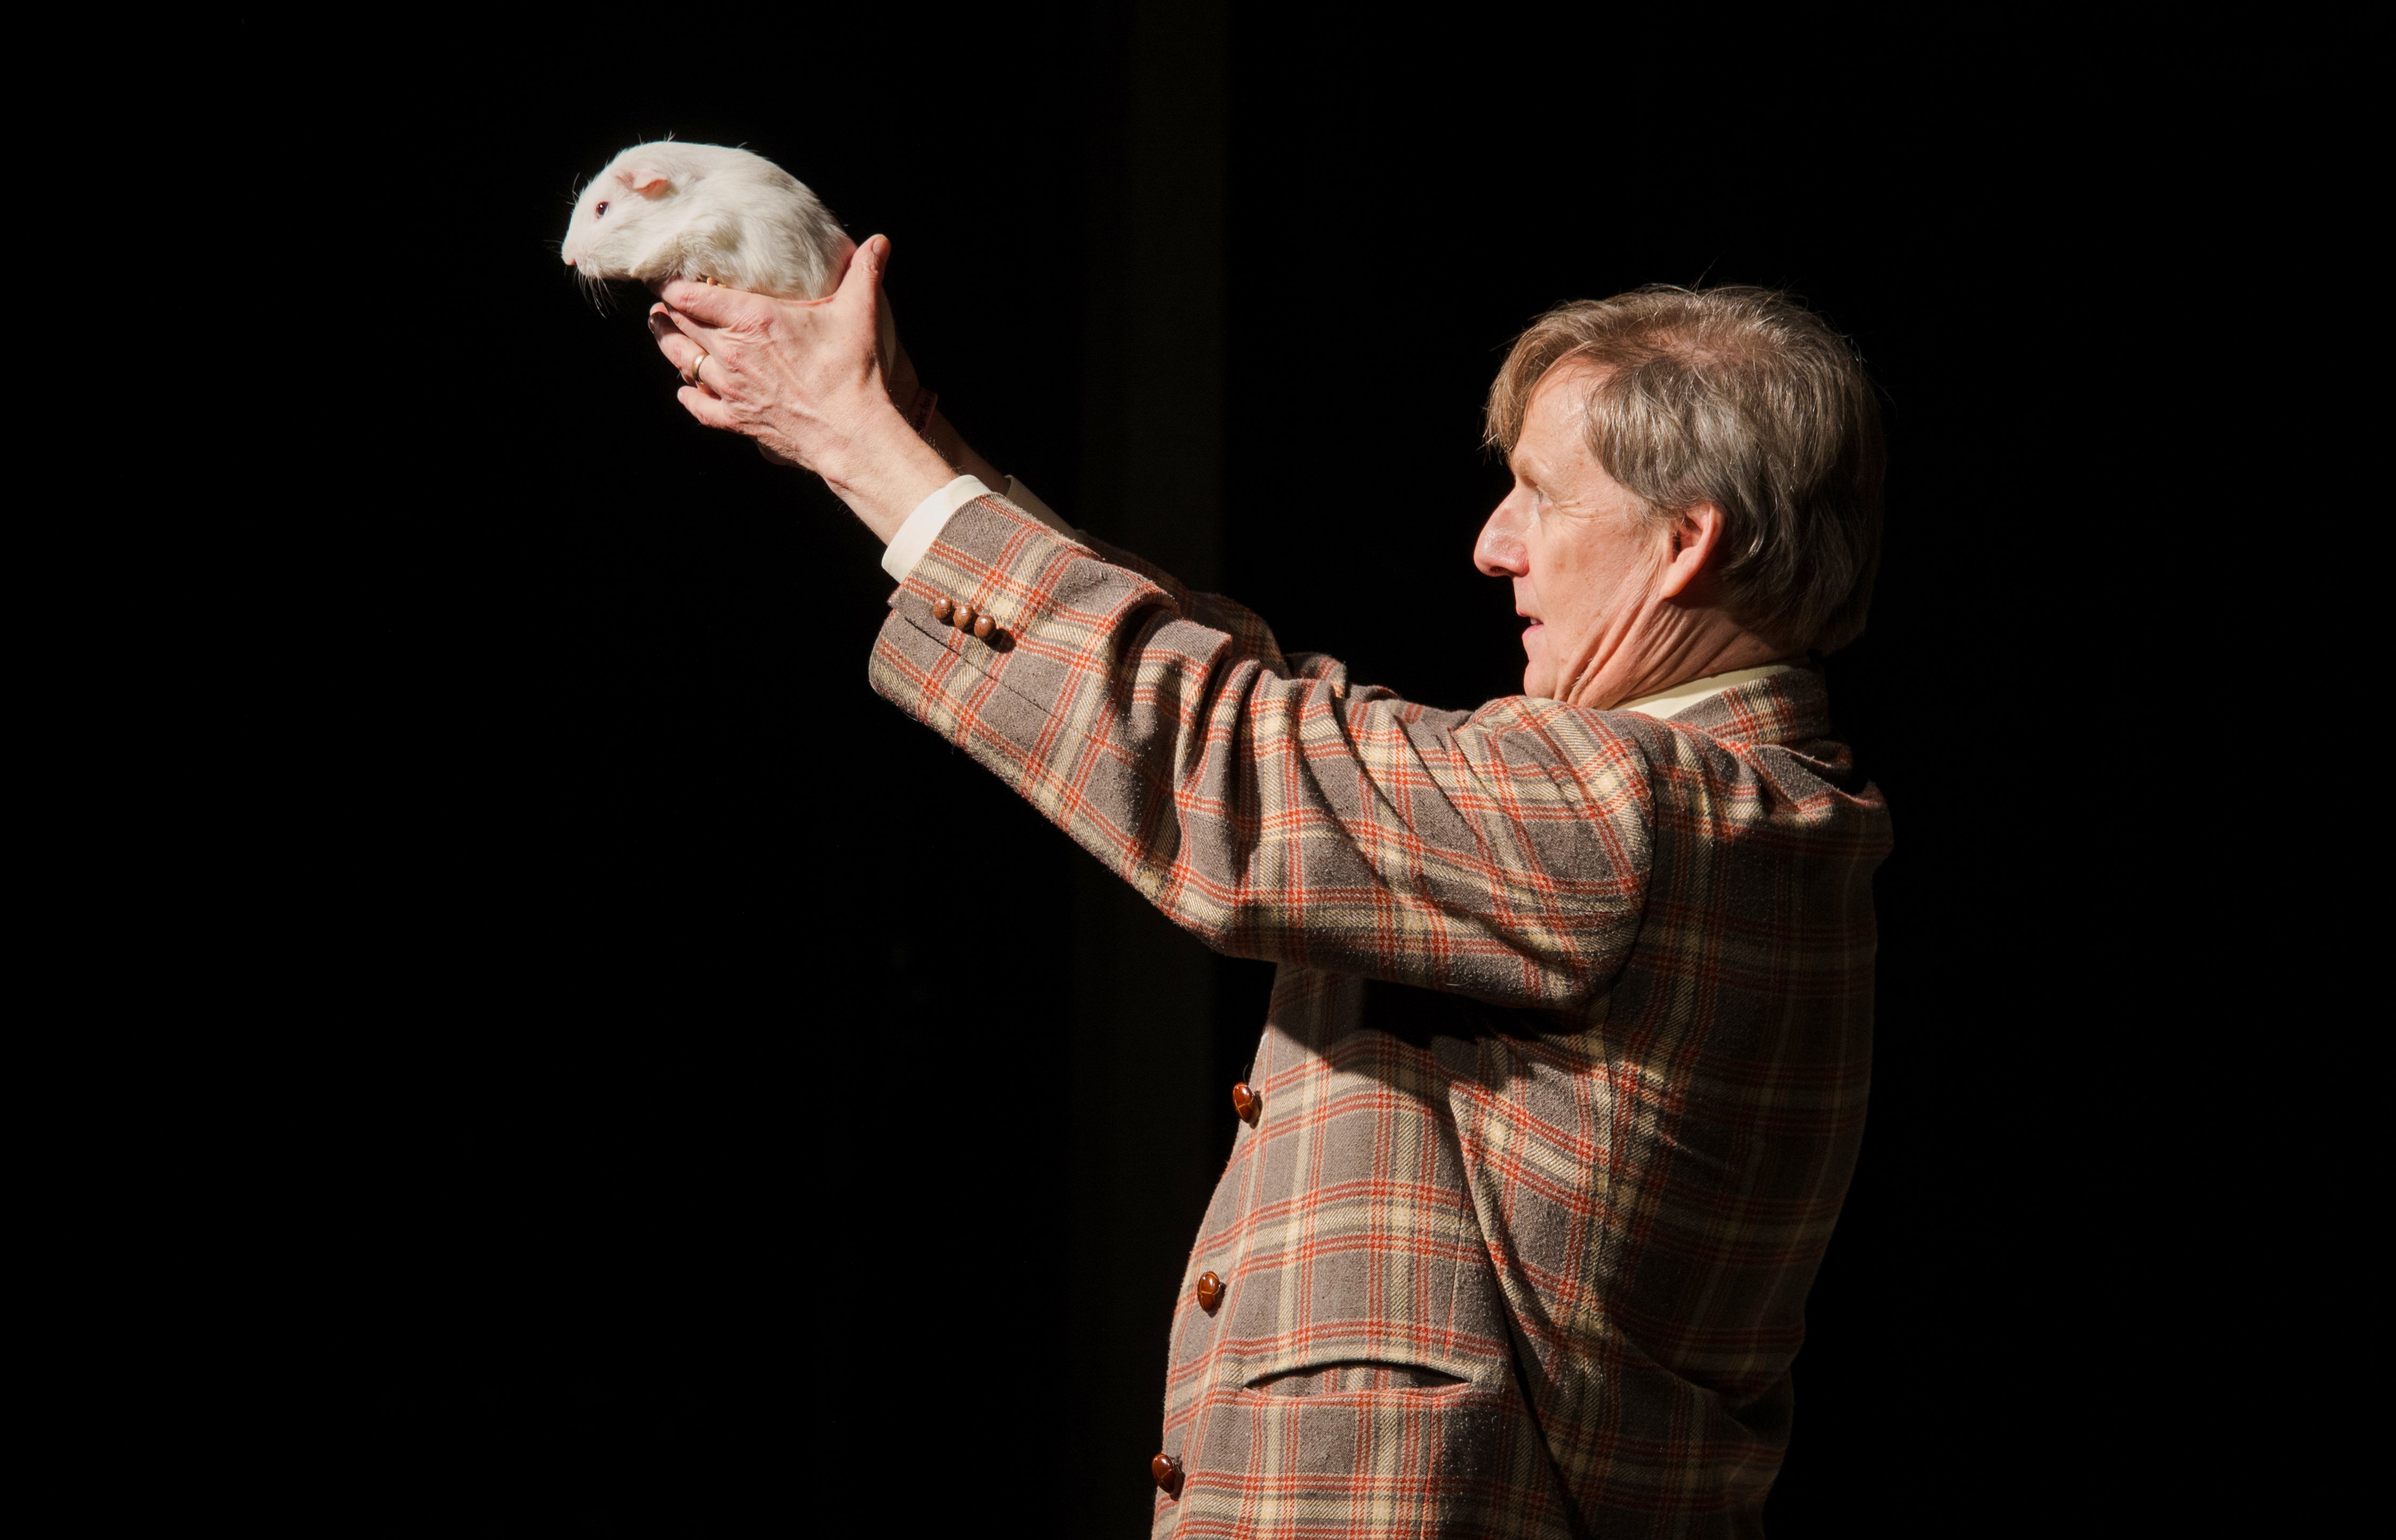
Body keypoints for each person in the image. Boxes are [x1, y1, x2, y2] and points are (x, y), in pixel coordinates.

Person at [641, 235, 1891, 1539]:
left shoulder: (1665, 811)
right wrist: (907, 437)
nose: (1491, 544)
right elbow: (1267, 707)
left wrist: (858, 443)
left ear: (1684, 547)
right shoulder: (1706, 805)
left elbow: (1232, 759)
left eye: (1540, 495)